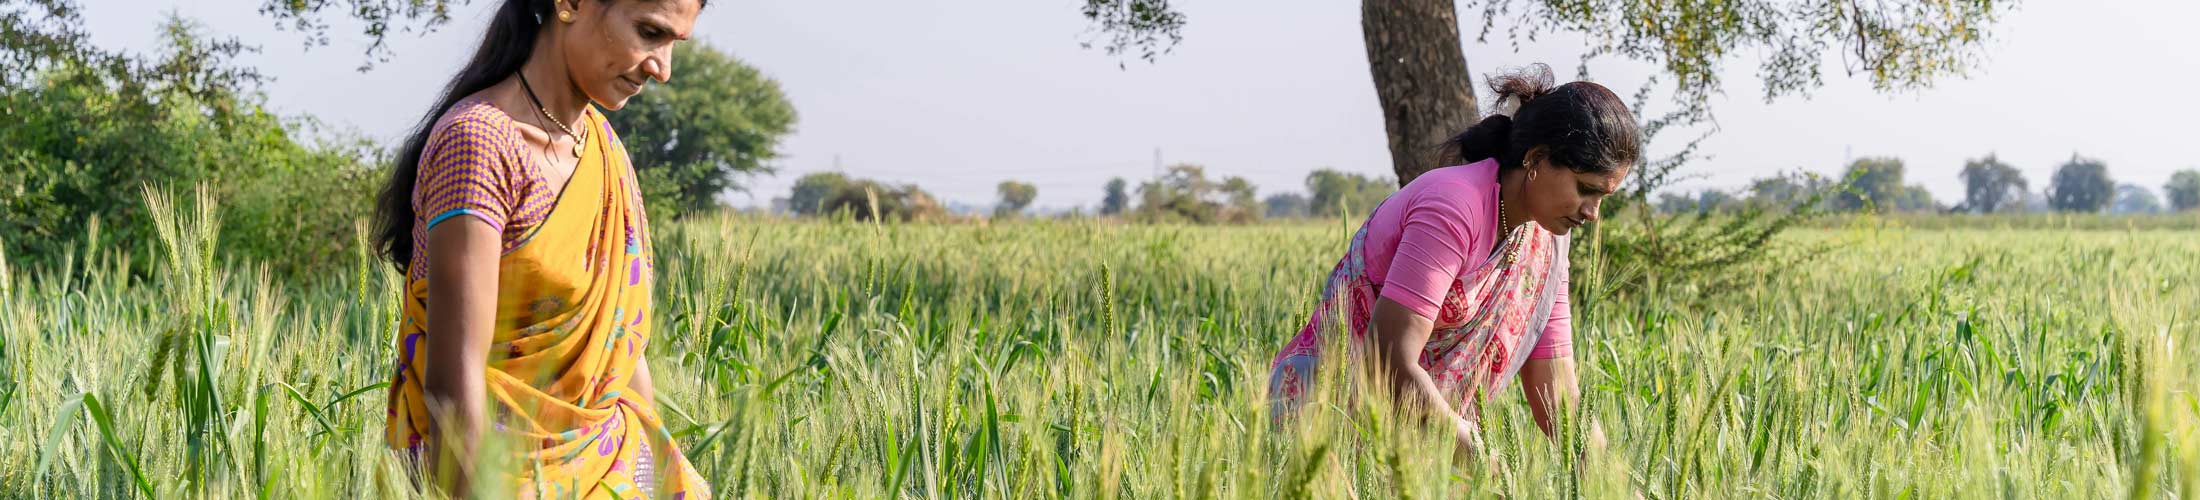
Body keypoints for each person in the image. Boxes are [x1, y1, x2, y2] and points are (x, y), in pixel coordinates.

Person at [370, 0, 710, 497]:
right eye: (649, 32)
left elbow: (620, 351)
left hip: (609, 471)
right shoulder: (481, 144)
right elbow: (454, 382)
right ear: (570, 4)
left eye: (673, 44)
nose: (661, 69)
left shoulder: (604, 150)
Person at [1268, 64, 1640, 456]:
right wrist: (1476, 457)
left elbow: (1558, 394)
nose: (1592, 212)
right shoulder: (1452, 207)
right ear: (1536, 159)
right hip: (1324, 430)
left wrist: (1613, 483)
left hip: (1419, 451)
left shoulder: (1547, 244)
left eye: (1603, 198)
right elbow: (1388, 357)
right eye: (1586, 189)